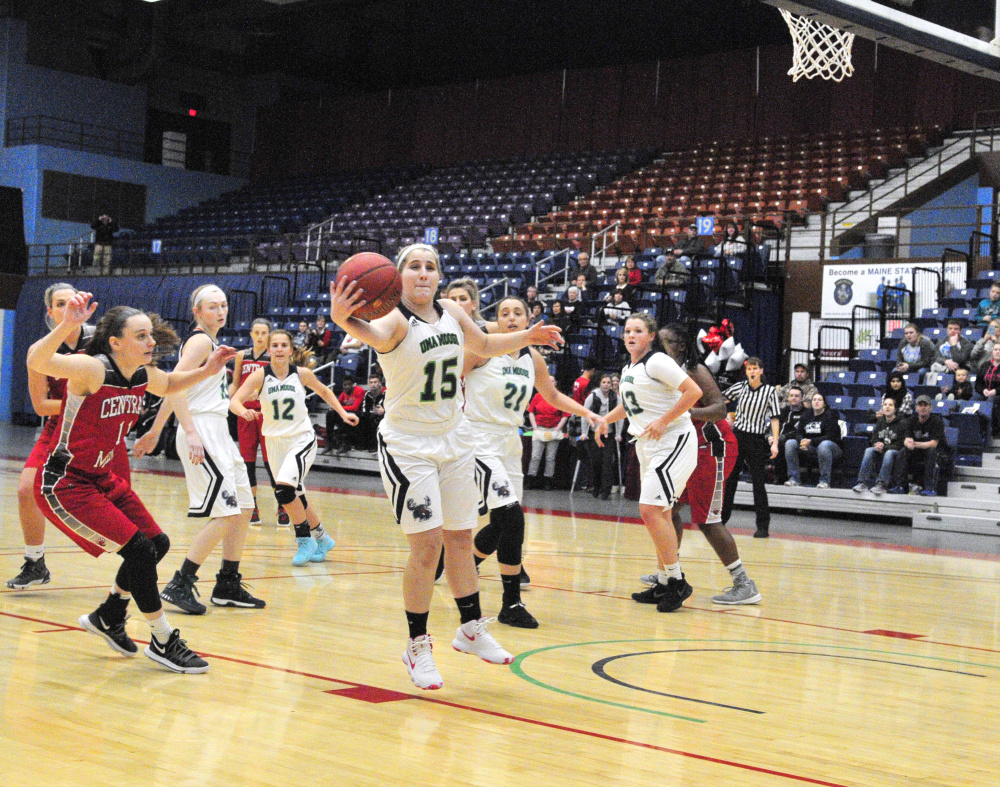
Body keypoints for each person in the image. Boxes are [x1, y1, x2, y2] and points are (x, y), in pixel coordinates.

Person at [329, 242, 563, 690]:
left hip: (455, 437)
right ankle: (416, 645)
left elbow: (487, 343)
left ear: (439, 276)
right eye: (413, 266)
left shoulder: (453, 313)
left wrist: (527, 337)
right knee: (428, 545)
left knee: (460, 538)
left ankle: (470, 628)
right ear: (397, 277)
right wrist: (342, 317)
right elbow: (372, 335)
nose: (423, 273)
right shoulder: (395, 317)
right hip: (408, 446)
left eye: (430, 267)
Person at [28, 292, 235, 672]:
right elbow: (38, 360)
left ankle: (109, 614)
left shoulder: (143, 374)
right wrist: (68, 325)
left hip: (101, 479)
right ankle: (161, 637)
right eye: (141, 336)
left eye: (150, 335)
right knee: (138, 551)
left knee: (156, 543)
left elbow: (171, 384)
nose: (151, 342)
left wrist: (208, 370)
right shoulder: (92, 369)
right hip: (66, 483)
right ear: (116, 342)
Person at [464, 295, 602, 626]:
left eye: (517, 312)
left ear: (528, 319)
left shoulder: (533, 357)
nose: (511, 317)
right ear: (495, 319)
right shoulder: (482, 349)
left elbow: (552, 396)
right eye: (504, 312)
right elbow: (448, 380)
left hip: (510, 441)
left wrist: (587, 413)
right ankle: (511, 603)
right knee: (511, 516)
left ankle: (458, 563)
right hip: (477, 436)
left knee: (503, 525)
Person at [133, 284, 265, 615]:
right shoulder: (200, 341)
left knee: (244, 507)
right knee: (227, 513)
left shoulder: (213, 343)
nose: (221, 312)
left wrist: (154, 430)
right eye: (213, 307)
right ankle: (181, 582)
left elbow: (177, 388)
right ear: (197, 312)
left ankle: (227, 583)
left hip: (218, 429)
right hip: (202, 431)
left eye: (223, 306)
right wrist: (185, 430)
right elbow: (171, 384)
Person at [638, 323, 761, 606]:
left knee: (706, 519)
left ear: (681, 345)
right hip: (689, 448)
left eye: (667, 342)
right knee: (667, 509)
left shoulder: (694, 370)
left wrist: (684, 411)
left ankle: (745, 583)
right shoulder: (660, 369)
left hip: (713, 446)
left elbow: (719, 408)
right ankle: (668, 576)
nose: (660, 346)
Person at [598, 313, 701, 612]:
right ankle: (664, 582)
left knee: (650, 510)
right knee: (662, 514)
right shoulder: (630, 366)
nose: (631, 335)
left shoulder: (657, 361)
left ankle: (677, 581)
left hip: (673, 439)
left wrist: (664, 420)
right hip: (648, 443)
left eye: (638, 331)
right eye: (627, 331)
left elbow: (692, 392)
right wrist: (606, 419)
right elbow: (630, 406)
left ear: (651, 335)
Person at [231, 329, 357, 566]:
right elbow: (234, 401)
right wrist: (243, 411)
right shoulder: (260, 376)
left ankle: (304, 539)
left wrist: (342, 412)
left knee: (285, 491)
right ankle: (323, 538)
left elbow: (325, 391)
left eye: (283, 345)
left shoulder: (302, 374)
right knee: (295, 495)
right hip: (275, 441)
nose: (279, 349)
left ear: (291, 350)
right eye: (275, 345)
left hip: (301, 439)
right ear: (269, 350)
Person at [7, 284, 99, 590]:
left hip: (96, 432)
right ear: (50, 311)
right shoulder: (41, 350)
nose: (67, 307)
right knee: (25, 490)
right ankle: (35, 562)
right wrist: (79, 404)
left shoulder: (98, 340)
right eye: (60, 303)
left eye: (72, 301)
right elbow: (40, 405)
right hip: (57, 429)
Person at [722, 358, 781, 538]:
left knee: (758, 483)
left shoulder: (770, 392)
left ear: (761, 371)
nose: (752, 371)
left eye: (755, 368)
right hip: (738, 436)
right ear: (746, 371)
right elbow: (720, 399)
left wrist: (775, 442)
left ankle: (763, 527)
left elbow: (775, 418)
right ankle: (721, 521)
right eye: (749, 369)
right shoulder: (739, 387)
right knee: (730, 479)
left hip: (756, 439)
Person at [231, 318, 274, 527]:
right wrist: (228, 404)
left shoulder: (274, 355)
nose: (259, 336)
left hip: (267, 414)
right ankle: (252, 506)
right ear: (250, 334)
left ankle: (282, 506)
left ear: (269, 335)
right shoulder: (242, 356)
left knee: (271, 462)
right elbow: (235, 385)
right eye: (256, 332)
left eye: (263, 333)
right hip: (244, 413)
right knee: (247, 462)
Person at [784, 392, 843, 488]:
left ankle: (824, 481)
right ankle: (794, 479)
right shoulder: (806, 415)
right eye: (814, 400)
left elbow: (830, 436)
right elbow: (798, 433)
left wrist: (810, 441)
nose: (816, 402)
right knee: (790, 443)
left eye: (819, 400)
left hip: (832, 448)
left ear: (824, 403)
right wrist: (802, 441)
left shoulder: (831, 415)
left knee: (824, 445)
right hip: (809, 446)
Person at [853, 398, 908, 494]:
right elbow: (874, 438)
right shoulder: (881, 421)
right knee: (869, 450)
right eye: (885, 404)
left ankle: (881, 484)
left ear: (895, 409)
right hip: (882, 449)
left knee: (889, 453)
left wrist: (884, 447)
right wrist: (876, 444)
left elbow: (901, 444)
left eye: (890, 405)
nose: (887, 407)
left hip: (896, 453)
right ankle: (862, 482)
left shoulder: (902, 423)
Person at [898, 395, 949, 496]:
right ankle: (901, 486)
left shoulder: (937, 421)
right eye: (920, 405)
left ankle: (929, 488)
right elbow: (906, 439)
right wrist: (908, 443)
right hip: (916, 452)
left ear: (931, 408)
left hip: (935, 453)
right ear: (916, 408)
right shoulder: (911, 420)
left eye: (925, 405)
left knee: (931, 451)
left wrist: (915, 444)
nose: (923, 407)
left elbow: (933, 444)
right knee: (903, 451)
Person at [526, 377, 568, 490]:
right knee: (535, 456)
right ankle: (531, 479)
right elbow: (531, 412)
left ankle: (548, 481)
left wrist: (558, 428)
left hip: (554, 430)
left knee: (550, 458)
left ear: (556, 383)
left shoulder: (560, 397)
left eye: (553, 381)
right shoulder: (538, 396)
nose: (550, 382)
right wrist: (534, 427)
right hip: (539, 429)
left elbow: (565, 415)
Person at [581, 374, 618, 500]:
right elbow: (584, 413)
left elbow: (620, 415)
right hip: (593, 433)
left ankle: (606, 489)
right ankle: (596, 486)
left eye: (608, 382)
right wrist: (584, 432)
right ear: (600, 383)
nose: (606, 384)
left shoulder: (615, 396)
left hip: (609, 433)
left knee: (607, 462)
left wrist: (618, 434)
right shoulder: (593, 396)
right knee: (596, 461)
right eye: (604, 382)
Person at [773, 385, 808, 482]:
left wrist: (782, 437)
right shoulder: (783, 411)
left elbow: (801, 431)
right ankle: (758, 475)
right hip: (778, 438)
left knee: (783, 443)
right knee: (755, 441)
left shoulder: (806, 413)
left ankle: (780, 477)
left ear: (802, 399)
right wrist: (770, 436)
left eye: (797, 396)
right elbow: (773, 425)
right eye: (791, 395)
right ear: (788, 398)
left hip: (794, 440)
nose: (793, 398)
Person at [974, 343, 1000, 437]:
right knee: (974, 401)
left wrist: (995, 391)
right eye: (996, 349)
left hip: (997, 395)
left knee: (991, 400)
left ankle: (994, 432)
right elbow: (977, 384)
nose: (998, 352)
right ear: (992, 352)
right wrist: (983, 390)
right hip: (985, 393)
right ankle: (975, 431)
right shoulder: (985, 365)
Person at [358, 372, 386, 451]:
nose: (373, 384)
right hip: (371, 415)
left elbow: (391, 407)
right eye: (371, 382)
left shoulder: (386, 393)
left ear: (380, 383)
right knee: (360, 418)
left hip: (383, 416)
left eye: (375, 382)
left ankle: (374, 446)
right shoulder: (367, 394)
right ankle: (362, 445)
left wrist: (384, 411)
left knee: (375, 419)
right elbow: (364, 409)